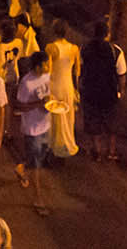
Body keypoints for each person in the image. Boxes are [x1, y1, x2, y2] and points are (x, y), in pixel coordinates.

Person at [11, 51, 55, 215]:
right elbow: (19, 107)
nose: (49, 66)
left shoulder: (47, 75)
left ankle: (21, 168)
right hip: (32, 129)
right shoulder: (26, 83)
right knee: (37, 166)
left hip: (46, 124)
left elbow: (48, 94)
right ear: (37, 67)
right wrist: (38, 103)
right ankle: (38, 199)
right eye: (46, 64)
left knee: (40, 158)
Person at [77, 20, 126, 163]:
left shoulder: (85, 48)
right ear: (107, 34)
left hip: (90, 91)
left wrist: (80, 86)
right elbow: (121, 74)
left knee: (93, 122)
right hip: (109, 92)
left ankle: (97, 151)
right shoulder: (115, 51)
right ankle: (111, 152)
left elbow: (80, 70)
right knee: (111, 123)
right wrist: (121, 91)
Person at [44, 18, 81, 159]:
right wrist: (76, 89)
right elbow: (77, 72)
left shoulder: (51, 48)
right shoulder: (74, 48)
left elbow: (48, 71)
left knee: (54, 118)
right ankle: (68, 143)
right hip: (68, 87)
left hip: (55, 86)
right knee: (68, 117)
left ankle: (53, 145)